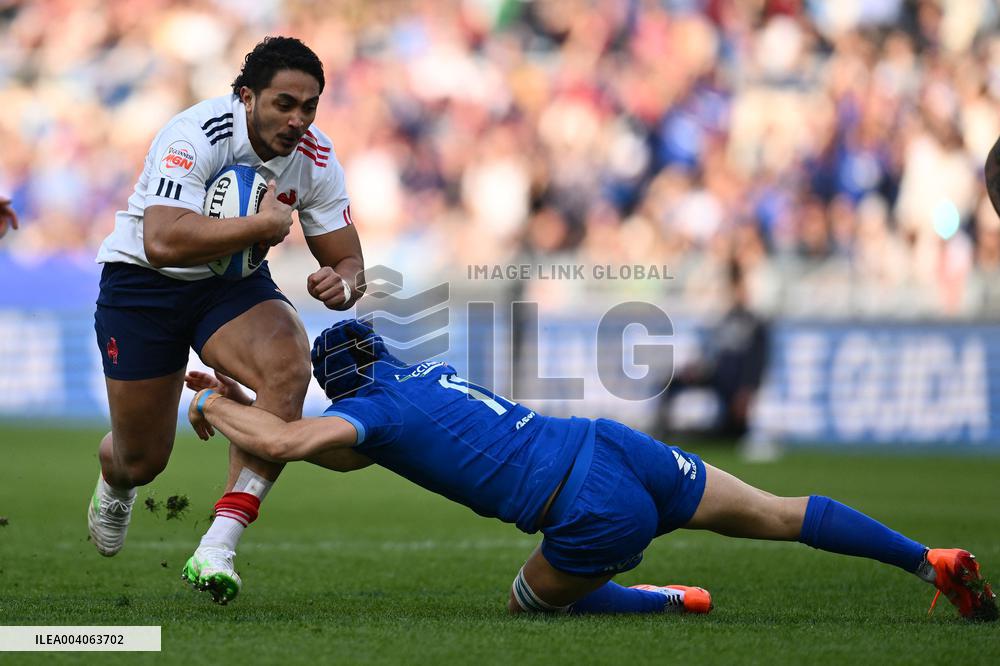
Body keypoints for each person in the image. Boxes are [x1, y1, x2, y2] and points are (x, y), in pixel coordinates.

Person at [183, 319, 996, 620]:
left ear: (342, 386)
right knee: (781, 511)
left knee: (526, 602)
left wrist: (211, 407)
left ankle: (667, 599)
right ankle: (928, 558)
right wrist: (244, 396)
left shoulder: (374, 411)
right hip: (613, 446)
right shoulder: (415, 381)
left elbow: (293, 445)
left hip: (586, 506)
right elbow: (343, 456)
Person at [89, 36, 366, 601]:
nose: (297, 120)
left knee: (288, 365)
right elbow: (162, 240)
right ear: (246, 96)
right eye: (283, 104)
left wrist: (345, 282)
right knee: (142, 459)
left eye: (309, 106)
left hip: (230, 287)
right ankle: (115, 477)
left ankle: (219, 543)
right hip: (144, 284)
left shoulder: (315, 157)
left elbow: (348, 257)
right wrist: (261, 229)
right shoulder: (195, 133)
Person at [657, 260, 768, 440]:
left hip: (735, 381)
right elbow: (710, 351)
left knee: (731, 433)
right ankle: (663, 429)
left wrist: (747, 388)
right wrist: (696, 367)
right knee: (671, 382)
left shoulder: (754, 322)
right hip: (715, 374)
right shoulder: (722, 318)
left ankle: (723, 432)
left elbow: (757, 361)